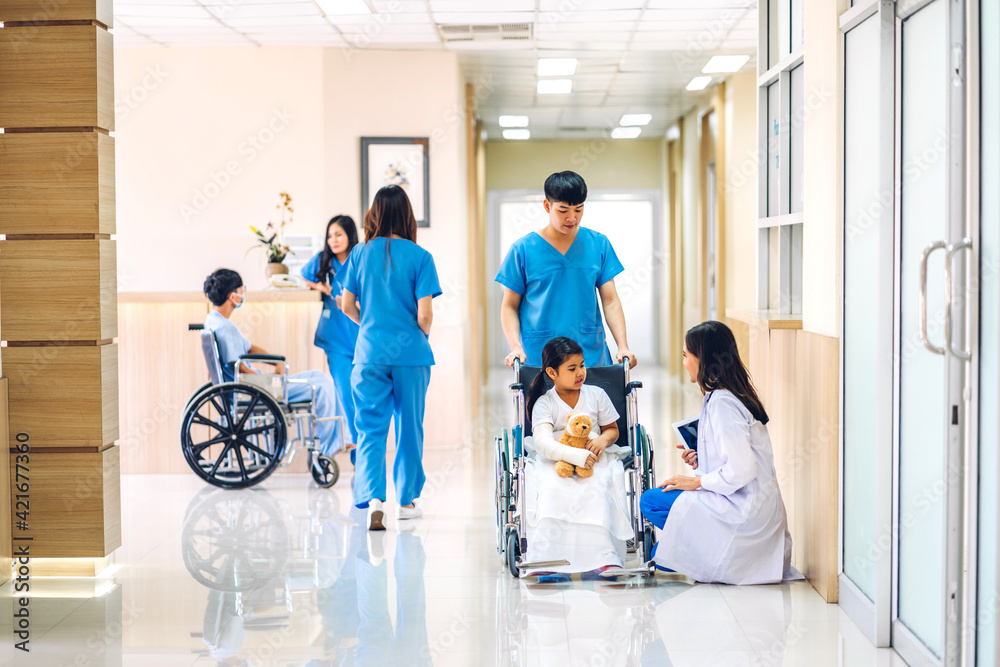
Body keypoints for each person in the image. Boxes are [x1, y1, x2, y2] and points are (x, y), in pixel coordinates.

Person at [639, 320, 801, 585]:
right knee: (667, 550)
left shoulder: (723, 404)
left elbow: (742, 470)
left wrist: (696, 482)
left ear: (702, 359)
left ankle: (707, 551)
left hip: (744, 513)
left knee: (651, 501)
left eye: (686, 356)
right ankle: (696, 548)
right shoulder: (729, 395)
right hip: (752, 508)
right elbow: (736, 459)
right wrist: (703, 460)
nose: (684, 363)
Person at [340, 185, 442, 531]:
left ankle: (374, 500)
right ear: (407, 215)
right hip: (411, 355)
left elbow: (346, 304)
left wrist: (368, 324)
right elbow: (425, 315)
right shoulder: (419, 256)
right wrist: (418, 336)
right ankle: (407, 501)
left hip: (368, 354)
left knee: (369, 430)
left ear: (375, 213)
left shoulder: (359, 253)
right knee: (409, 428)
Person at [496, 170, 637, 370]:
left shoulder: (598, 244)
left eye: (578, 210)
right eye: (563, 211)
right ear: (547, 206)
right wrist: (516, 347)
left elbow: (610, 300)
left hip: (589, 354)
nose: (572, 218)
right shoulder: (523, 250)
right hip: (540, 356)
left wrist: (623, 346)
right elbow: (509, 306)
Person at [522, 337, 633, 581]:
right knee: (552, 488)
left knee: (597, 487)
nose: (580, 372)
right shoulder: (545, 402)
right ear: (552, 372)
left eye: (582, 365)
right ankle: (546, 557)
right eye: (572, 369)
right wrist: (576, 456)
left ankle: (604, 557)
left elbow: (612, 429)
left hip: (594, 454)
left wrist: (602, 441)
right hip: (555, 456)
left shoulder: (596, 394)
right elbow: (542, 442)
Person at [202, 268, 346, 458]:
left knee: (318, 376)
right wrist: (269, 382)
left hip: (246, 387)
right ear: (233, 296)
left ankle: (335, 442)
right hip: (251, 390)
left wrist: (276, 361)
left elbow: (249, 348)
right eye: (241, 289)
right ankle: (329, 448)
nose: (243, 293)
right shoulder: (225, 328)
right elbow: (240, 368)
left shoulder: (214, 321)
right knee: (319, 387)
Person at [301, 215, 361, 462]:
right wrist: (320, 287)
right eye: (330, 235)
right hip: (336, 338)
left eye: (338, 234)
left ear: (349, 235)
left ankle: (364, 449)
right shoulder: (323, 261)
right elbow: (303, 276)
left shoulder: (360, 258)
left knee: (364, 395)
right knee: (346, 394)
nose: (333, 240)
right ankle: (358, 454)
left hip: (362, 335)